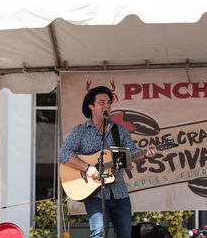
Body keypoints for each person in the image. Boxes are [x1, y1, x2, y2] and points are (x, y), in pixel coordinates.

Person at [59, 86, 158, 238]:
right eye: (101, 102)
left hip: (119, 193)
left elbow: (132, 153)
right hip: (95, 194)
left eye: (109, 102)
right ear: (91, 106)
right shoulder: (81, 131)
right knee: (98, 233)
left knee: (125, 234)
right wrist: (87, 168)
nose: (106, 106)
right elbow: (64, 153)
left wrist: (145, 154)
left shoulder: (120, 130)